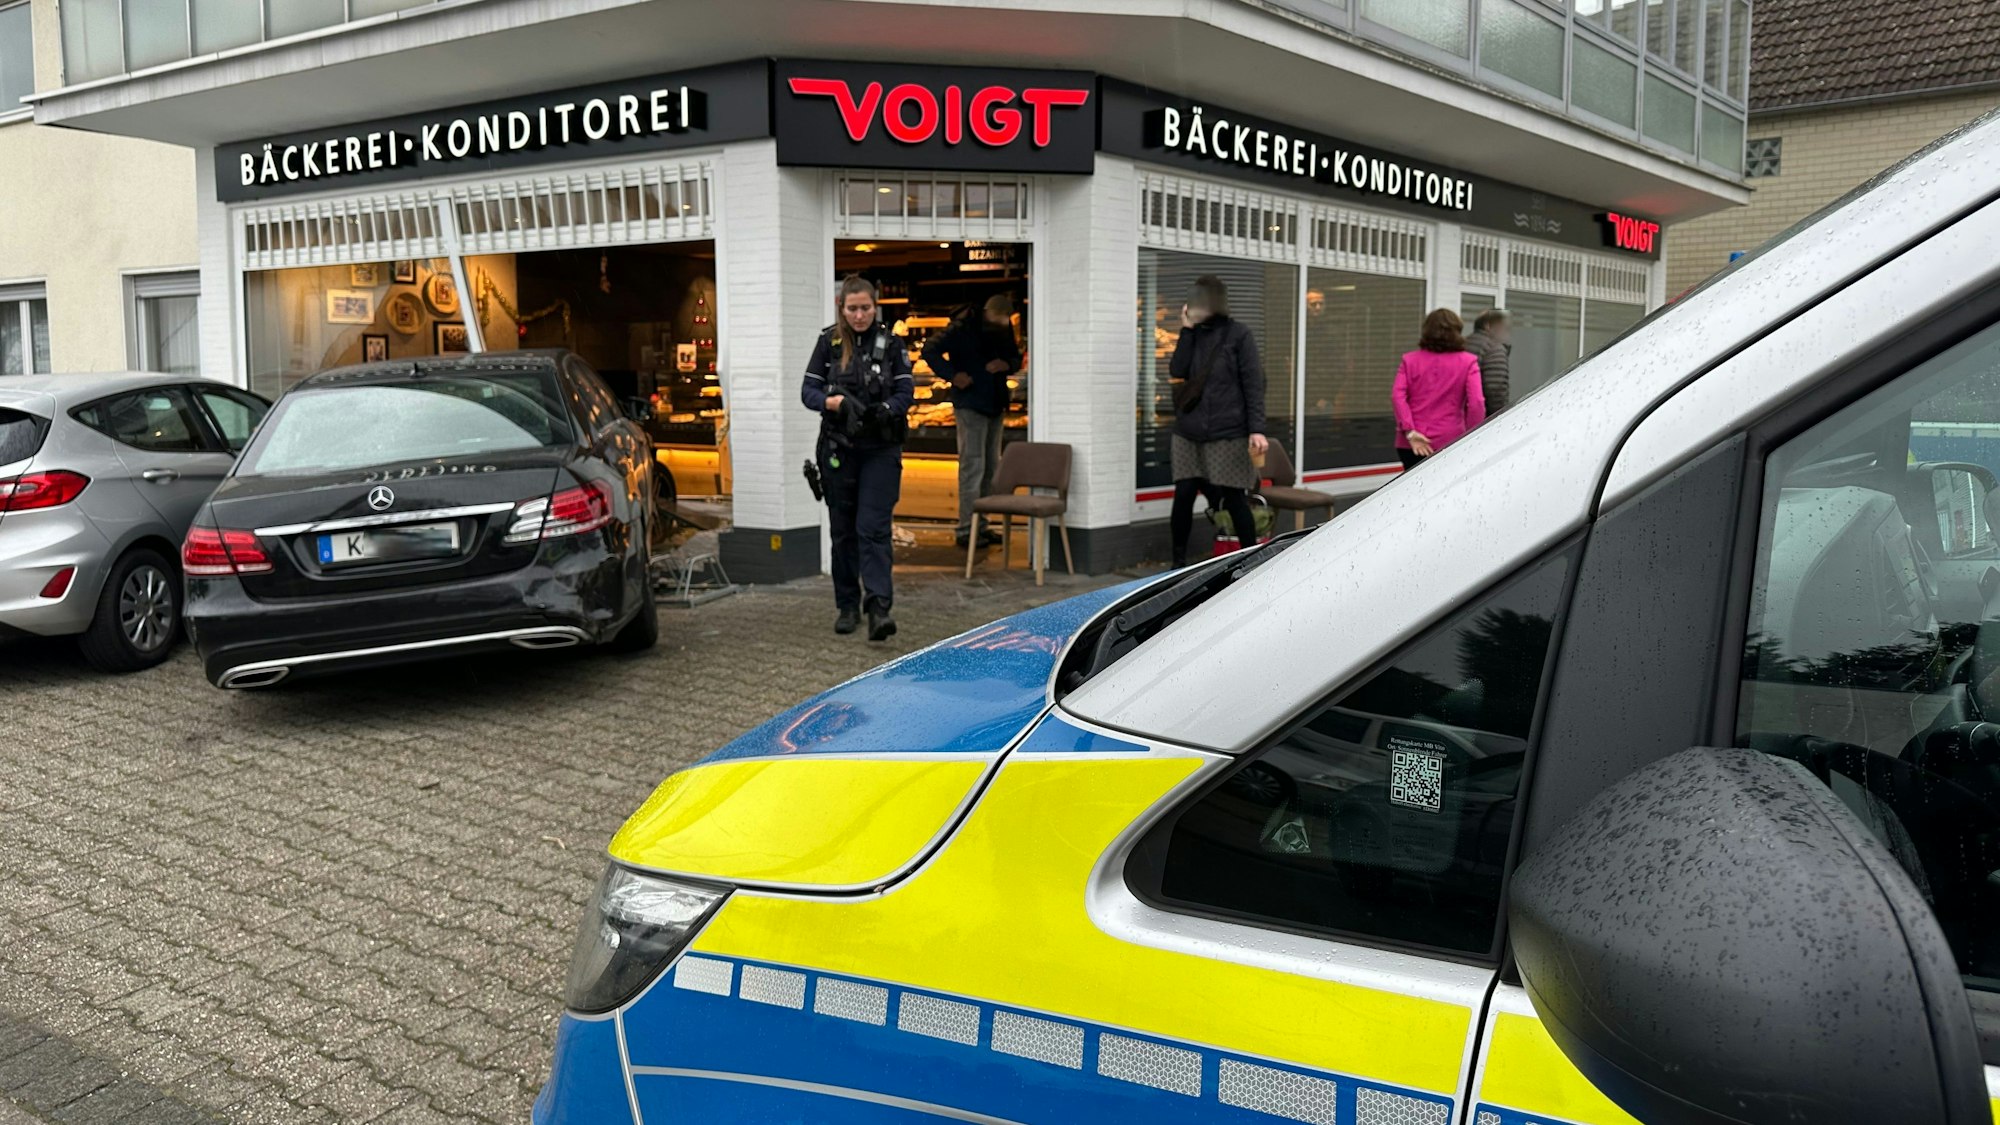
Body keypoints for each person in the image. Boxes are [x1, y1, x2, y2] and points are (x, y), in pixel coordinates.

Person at [802, 275, 915, 641]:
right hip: (840, 449)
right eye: (853, 308)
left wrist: (886, 409)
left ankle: (879, 607)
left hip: (880, 450)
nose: (860, 315)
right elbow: (808, 390)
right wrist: (831, 402)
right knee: (843, 532)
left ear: (875, 306)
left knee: (873, 530)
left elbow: (906, 389)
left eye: (866, 307)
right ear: (842, 308)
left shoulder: (892, 342)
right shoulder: (828, 343)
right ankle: (847, 606)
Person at [1167, 275, 1267, 568]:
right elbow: (1178, 369)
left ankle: (1249, 558)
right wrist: (1186, 331)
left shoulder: (1239, 335)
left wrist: (1256, 429)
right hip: (1189, 430)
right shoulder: (1193, 334)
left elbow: (1253, 384)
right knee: (1184, 493)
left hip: (1228, 431)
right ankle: (1177, 563)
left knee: (1235, 495)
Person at [925, 294, 1022, 549]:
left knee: (991, 467)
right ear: (989, 313)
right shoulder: (961, 327)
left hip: (995, 403)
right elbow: (930, 350)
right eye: (1000, 318)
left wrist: (1006, 364)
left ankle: (982, 525)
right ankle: (966, 529)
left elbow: (1015, 357)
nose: (1004, 323)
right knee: (973, 467)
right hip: (970, 404)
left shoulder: (1002, 328)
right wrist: (953, 376)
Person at [1392, 308, 1486, 471]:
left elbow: (1397, 396)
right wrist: (1473, 437)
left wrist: (1410, 431)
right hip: (1450, 440)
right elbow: (1476, 403)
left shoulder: (1409, 360)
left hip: (1411, 442)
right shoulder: (1468, 362)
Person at [1466, 308, 1512, 416]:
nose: (1507, 332)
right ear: (1488, 325)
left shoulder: (1462, 344)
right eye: (1503, 326)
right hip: (1480, 421)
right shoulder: (1494, 349)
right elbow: (1496, 392)